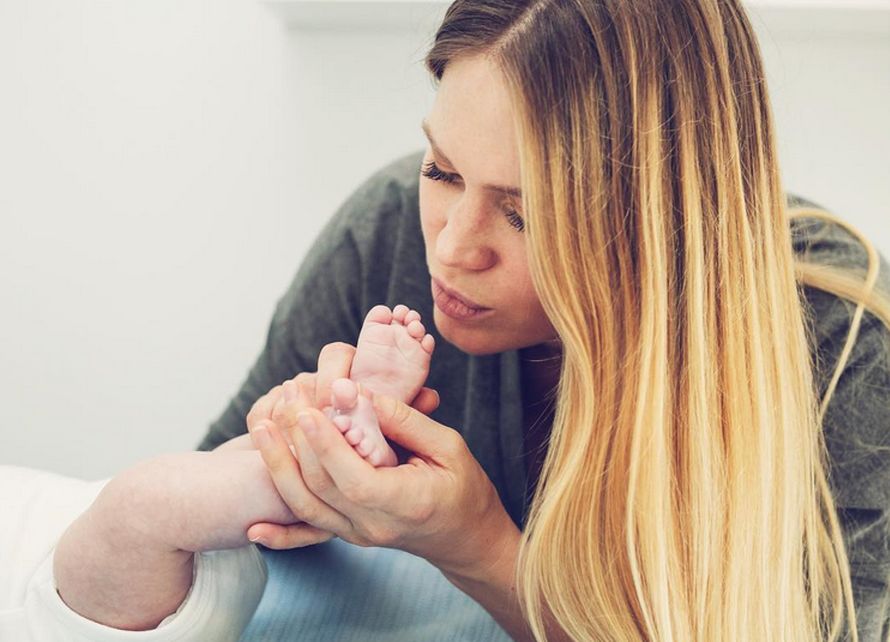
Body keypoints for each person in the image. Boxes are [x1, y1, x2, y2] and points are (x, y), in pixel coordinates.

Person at [202, 1, 890, 641]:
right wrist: (283, 461)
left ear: (666, 219)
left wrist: (478, 547)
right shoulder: (383, 232)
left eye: (526, 215)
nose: (451, 249)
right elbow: (197, 524)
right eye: (441, 172)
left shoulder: (842, 344)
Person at [1, 305, 440, 640]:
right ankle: (335, 452)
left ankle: (344, 419)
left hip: (154, 554)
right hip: (71, 608)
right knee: (145, 503)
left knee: (221, 467)